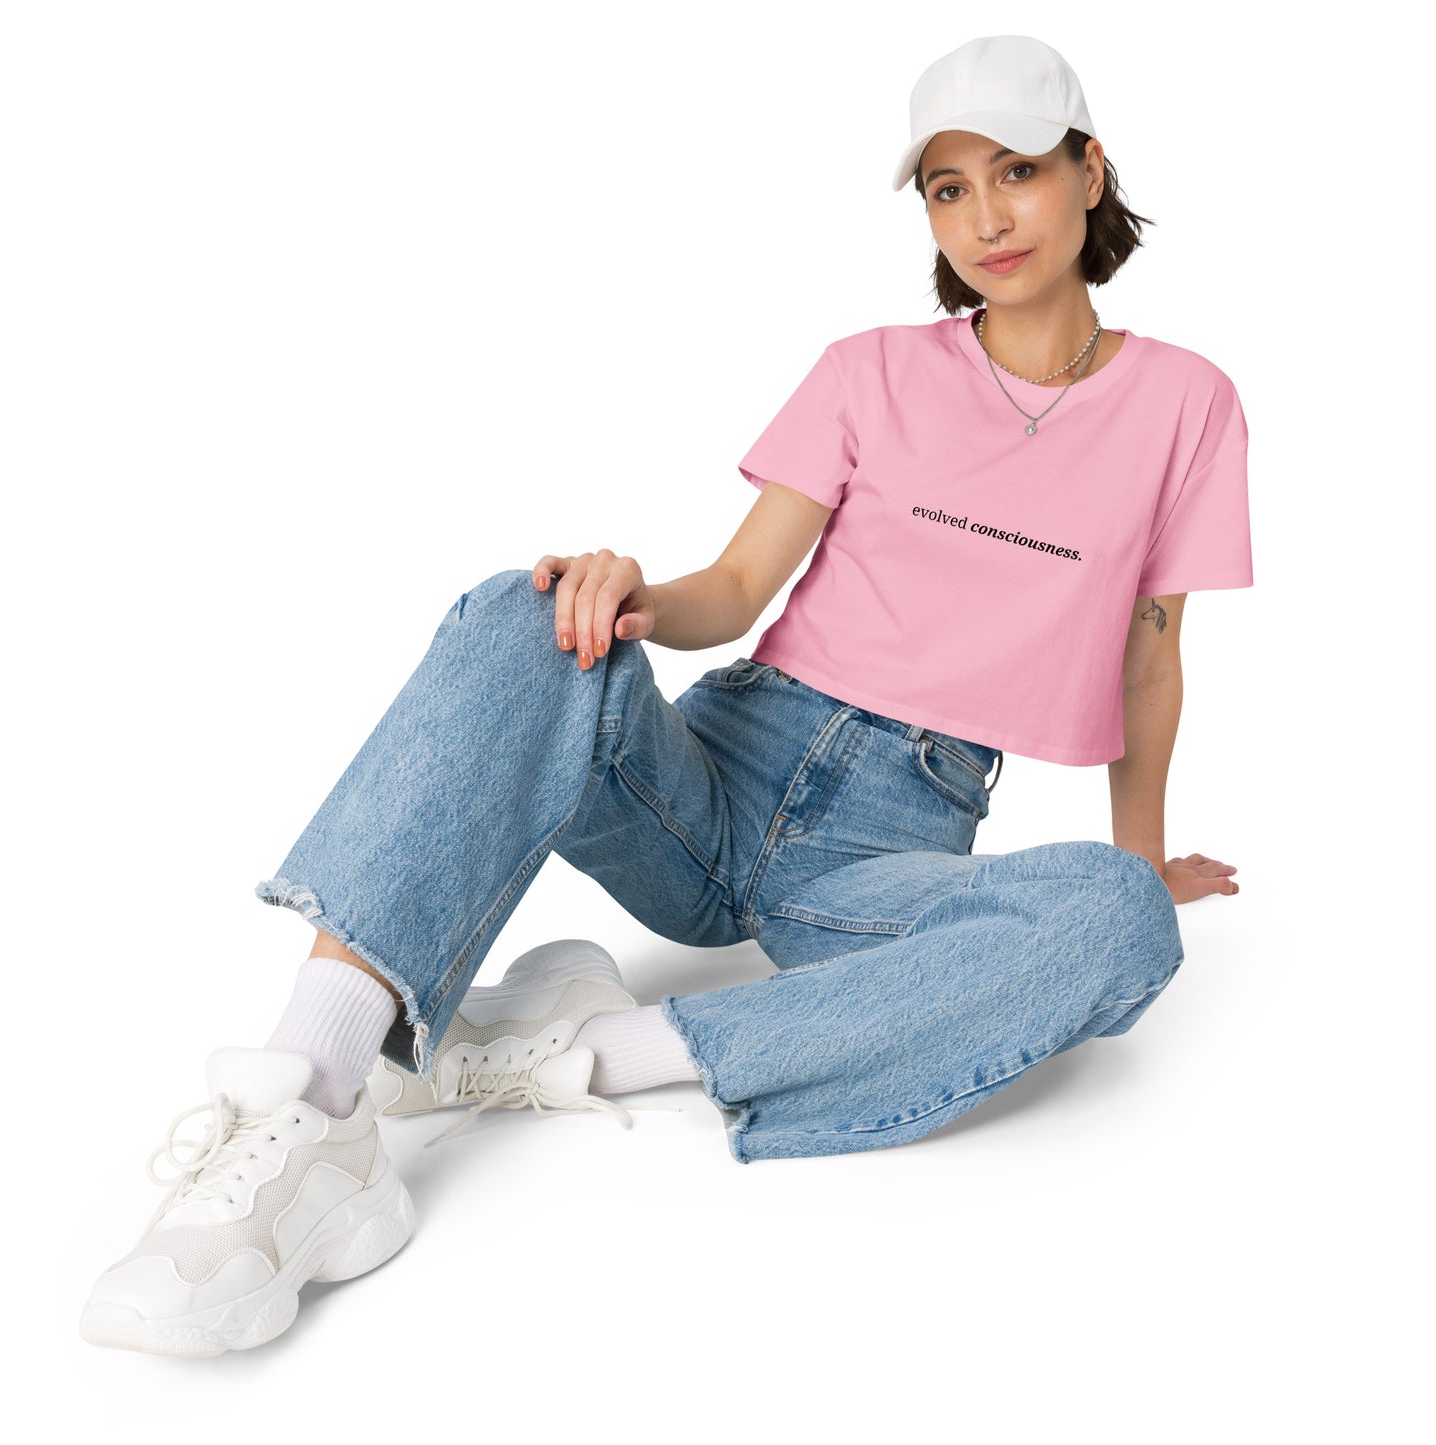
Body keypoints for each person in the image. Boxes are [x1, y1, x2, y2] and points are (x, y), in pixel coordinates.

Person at [81, 33, 1253, 1357]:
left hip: (881, 852)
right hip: (711, 774)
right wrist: (630, 598)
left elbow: (1149, 652)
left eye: (1018, 171)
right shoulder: (869, 369)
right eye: (944, 186)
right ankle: (308, 1103)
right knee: (525, 608)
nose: (983, 216)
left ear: (1089, 172)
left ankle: (583, 1051)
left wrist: (1141, 862)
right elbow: (737, 585)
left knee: (1116, 922)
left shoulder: (1186, 406)